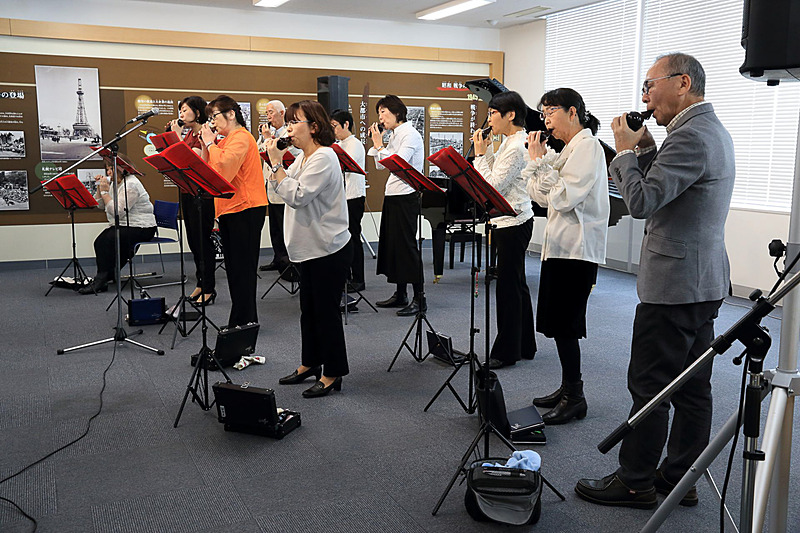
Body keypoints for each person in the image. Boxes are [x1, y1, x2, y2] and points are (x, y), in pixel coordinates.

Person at [575, 53, 735, 509]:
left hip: (675, 285)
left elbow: (643, 201)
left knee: (651, 386)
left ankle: (635, 480)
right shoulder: (702, 131)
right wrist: (644, 148)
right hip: (700, 281)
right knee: (691, 387)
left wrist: (624, 151)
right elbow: (670, 186)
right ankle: (679, 478)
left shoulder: (690, 137)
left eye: (650, 85)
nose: (644, 96)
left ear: (682, 83)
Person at [522, 88, 609, 424]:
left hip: (576, 249)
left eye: (550, 113)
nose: (546, 121)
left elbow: (561, 198)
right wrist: (539, 162)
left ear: (572, 112)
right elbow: (539, 195)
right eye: (543, 114)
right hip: (560, 247)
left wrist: (537, 164)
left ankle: (576, 396)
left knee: (567, 325)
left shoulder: (587, 148)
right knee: (558, 324)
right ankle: (566, 386)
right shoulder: (569, 149)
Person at [266, 100, 351, 398]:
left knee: (326, 312)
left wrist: (276, 164)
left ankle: (333, 372)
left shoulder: (325, 157)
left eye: (294, 122)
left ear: (314, 127)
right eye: (287, 122)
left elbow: (297, 195)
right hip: (309, 248)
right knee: (309, 311)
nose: (288, 128)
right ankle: (310, 363)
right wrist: (278, 166)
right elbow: (282, 187)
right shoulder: (303, 157)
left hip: (328, 248)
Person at [472, 91, 536, 369]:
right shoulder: (510, 142)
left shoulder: (516, 145)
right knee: (517, 284)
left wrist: (479, 155)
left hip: (513, 220)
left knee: (509, 287)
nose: (489, 120)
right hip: (511, 220)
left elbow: (492, 186)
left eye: (493, 114)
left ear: (510, 115)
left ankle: (507, 351)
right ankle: (525, 344)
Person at [200, 95, 267, 328]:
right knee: (235, 270)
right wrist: (205, 145)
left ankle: (245, 321)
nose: (212, 122)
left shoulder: (241, 137)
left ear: (231, 114)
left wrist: (210, 143)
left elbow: (224, 169)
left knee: (243, 270)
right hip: (231, 209)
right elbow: (209, 170)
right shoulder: (227, 139)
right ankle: (240, 320)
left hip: (245, 209)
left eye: (215, 116)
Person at [368, 95, 426, 316]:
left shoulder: (410, 134)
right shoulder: (395, 134)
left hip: (406, 196)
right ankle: (400, 294)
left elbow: (399, 164)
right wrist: (379, 145)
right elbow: (382, 167)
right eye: (379, 113)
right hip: (393, 194)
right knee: (394, 246)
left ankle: (420, 299)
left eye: (383, 112)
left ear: (397, 112)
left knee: (407, 247)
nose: (380, 117)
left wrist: (379, 146)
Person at [79, 155, 156, 294]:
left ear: (121, 169)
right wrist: (99, 189)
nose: (108, 173)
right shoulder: (116, 183)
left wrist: (104, 192)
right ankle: (106, 275)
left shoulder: (131, 184)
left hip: (143, 227)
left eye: (111, 169)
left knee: (105, 240)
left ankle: (101, 279)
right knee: (103, 240)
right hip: (127, 225)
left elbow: (117, 212)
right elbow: (101, 205)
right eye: (107, 169)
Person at [167, 95, 216, 305]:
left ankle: (209, 287)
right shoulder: (188, 135)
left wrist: (176, 138)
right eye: (180, 111)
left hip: (202, 196)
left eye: (185, 110)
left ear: (197, 112)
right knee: (193, 241)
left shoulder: (203, 135)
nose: (181, 115)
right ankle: (200, 283)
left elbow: (195, 163)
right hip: (188, 192)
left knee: (203, 241)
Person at [258, 100, 299, 275]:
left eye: (271, 112)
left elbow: (290, 155)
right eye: (266, 113)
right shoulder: (270, 132)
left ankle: (288, 264)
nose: (268, 116)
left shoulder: (287, 134)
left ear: (282, 113)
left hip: (285, 186)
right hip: (270, 185)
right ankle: (278, 258)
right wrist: (265, 137)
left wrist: (269, 139)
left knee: (284, 228)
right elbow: (260, 150)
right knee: (274, 227)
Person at [331, 108, 367, 293]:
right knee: (343, 239)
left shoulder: (354, 144)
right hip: (341, 197)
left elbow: (345, 166)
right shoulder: (339, 144)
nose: (334, 130)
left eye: (335, 126)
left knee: (353, 237)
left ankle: (359, 278)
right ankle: (346, 276)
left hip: (353, 196)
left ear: (346, 124)